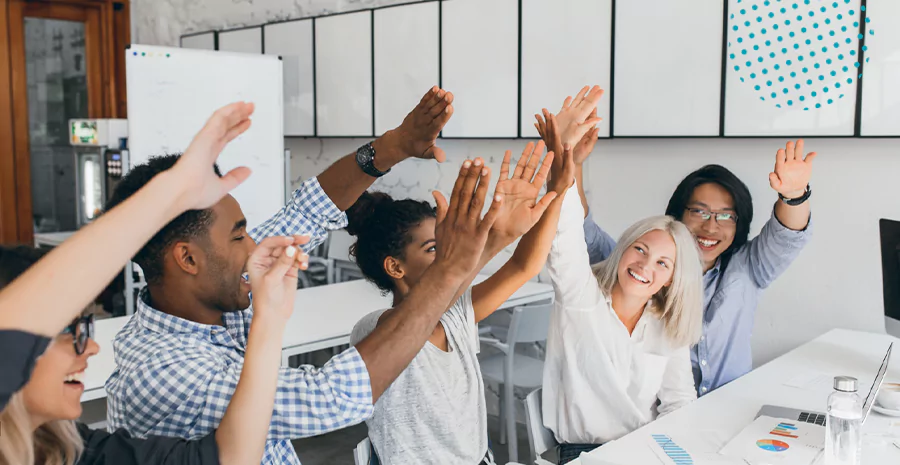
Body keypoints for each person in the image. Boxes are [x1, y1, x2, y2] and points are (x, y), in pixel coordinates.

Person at [103, 86, 517, 465]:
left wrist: (393, 147)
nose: (255, 247)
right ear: (187, 259)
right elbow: (330, 398)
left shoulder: (215, 286)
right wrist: (449, 271)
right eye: (238, 236)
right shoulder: (164, 372)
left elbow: (306, 212)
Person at [541, 100, 816, 394]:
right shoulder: (641, 268)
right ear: (678, 214)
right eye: (699, 212)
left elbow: (787, 235)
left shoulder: (749, 268)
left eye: (725, 216)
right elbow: (583, 230)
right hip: (659, 418)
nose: (711, 227)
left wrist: (794, 195)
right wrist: (574, 163)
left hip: (729, 409)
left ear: (739, 222)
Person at [0, 102, 256, 413]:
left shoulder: (79, 451)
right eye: (68, 333)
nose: (93, 348)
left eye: (83, 329)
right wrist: (269, 318)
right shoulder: (163, 369)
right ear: (187, 259)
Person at [347, 141, 583, 465]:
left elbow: (524, 266)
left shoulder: (455, 316)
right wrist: (493, 240)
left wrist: (556, 190)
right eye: (433, 248)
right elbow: (416, 318)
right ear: (395, 267)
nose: (448, 255)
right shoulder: (374, 330)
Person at [534, 105, 704, 464]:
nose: (645, 265)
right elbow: (564, 238)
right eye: (639, 249)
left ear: (671, 279)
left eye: (662, 263)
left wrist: (670, 453)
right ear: (623, 248)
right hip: (583, 455)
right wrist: (563, 159)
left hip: (647, 450)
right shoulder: (581, 298)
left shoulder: (667, 326)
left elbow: (679, 401)